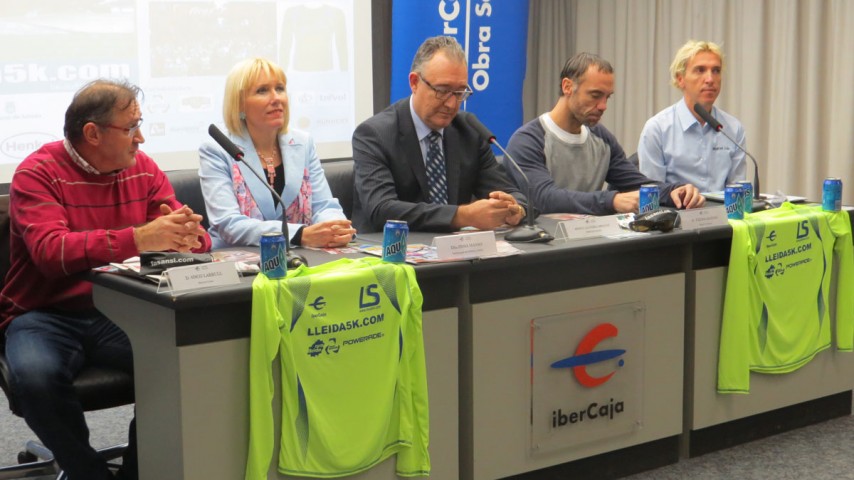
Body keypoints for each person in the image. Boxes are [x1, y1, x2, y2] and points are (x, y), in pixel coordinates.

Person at [0, 79, 211, 480]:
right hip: (44, 314)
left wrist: (189, 235)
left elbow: (193, 240)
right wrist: (139, 237)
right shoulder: (36, 173)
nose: (141, 138)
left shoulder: (142, 169)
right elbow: (52, 252)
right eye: (131, 128)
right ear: (92, 133)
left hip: (123, 309)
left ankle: (137, 470)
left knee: (184, 364)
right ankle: (88, 473)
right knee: (36, 379)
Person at [351, 35, 526, 233]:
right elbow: (381, 209)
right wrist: (462, 215)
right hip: (390, 253)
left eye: (460, 92)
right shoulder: (374, 135)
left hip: (454, 254)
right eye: (442, 91)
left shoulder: (468, 131)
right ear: (415, 82)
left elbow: (512, 194)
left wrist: (515, 209)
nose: (452, 104)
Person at [505, 53, 705, 215]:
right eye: (595, 95)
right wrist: (612, 201)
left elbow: (637, 184)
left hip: (592, 245)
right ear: (567, 87)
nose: (603, 106)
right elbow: (545, 199)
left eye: (607, 97)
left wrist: (674, 192)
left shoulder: (601, 137)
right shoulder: (527, 141)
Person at [199, 57, 355, 248]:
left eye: (280, 88)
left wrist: (334, 228)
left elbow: (324, 206)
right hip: (239, 261)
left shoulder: (302, 143)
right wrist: (298, 235)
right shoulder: (218, 149)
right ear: (239, 104)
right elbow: (228, 224)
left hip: (300, 256)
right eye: (262, 91)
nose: (276, 98)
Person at [637, 40, 746, 193]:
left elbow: (738, 192)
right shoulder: (657, 129)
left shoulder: (733, 129)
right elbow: (652, 197)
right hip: (676, 215)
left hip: (725, 215)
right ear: (680, 79)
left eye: (716, 71)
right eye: (700, 70)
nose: (710, 79)